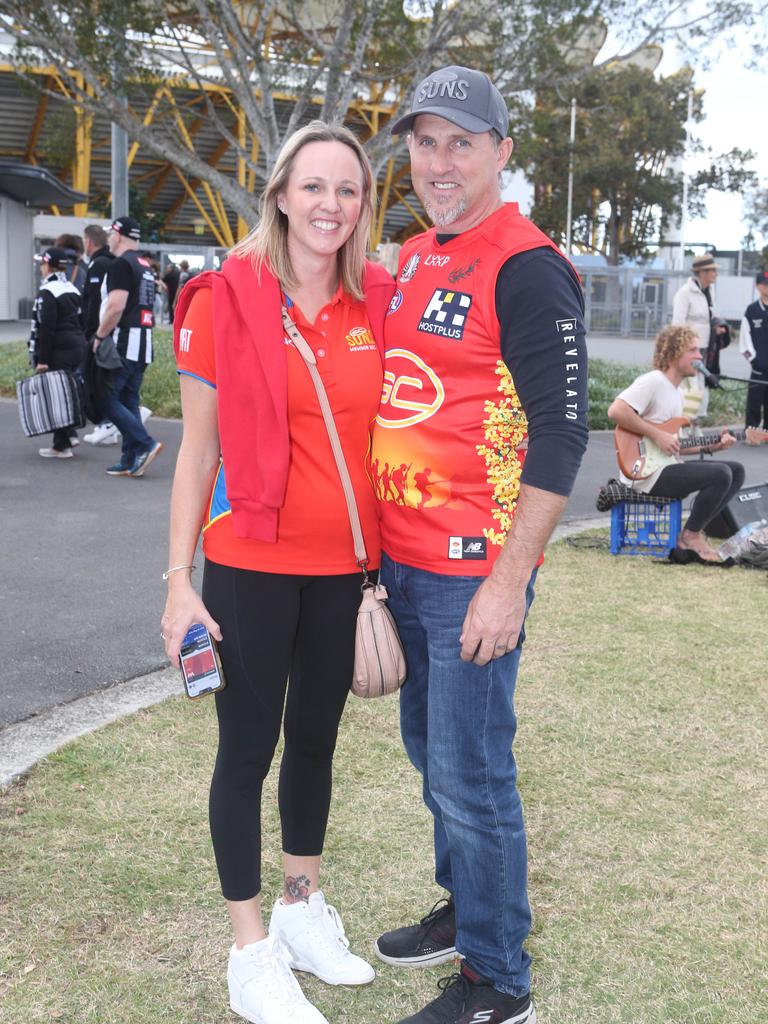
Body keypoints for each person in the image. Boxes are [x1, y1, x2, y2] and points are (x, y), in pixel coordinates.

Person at [160, 120, 395, 1024]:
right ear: (281, 196)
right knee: (247, 748)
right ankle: (250, 951)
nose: (330, 205)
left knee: (320, 740)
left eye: (348, 190)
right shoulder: (226, 297)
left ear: (361, 205)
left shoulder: (375, 297)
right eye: (314, 187)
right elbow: (195, 452)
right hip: (250, 564)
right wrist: (177, 578)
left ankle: (302, 912)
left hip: (344, 568)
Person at [371, 66, 589, 1024]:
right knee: (432, 752)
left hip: (473, 571)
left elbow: (563, 433)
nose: (440, 161)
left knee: (471, 767)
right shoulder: (418, 255)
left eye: (462, 141)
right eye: (425, 141)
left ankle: (500, 978)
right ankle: (467, 912)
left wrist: (511, 580)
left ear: (503, 151)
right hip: (404, 564)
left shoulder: (526, 263)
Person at [608, 324, 743, 563]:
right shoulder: (653, 381)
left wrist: (711, 447)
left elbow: (674, 445)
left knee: (735, 470)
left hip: (664, 466)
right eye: (693, 350)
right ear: (674, 353)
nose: (700, 356)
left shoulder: (676, 392)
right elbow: (616, 410)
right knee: (721, 473)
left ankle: (693, 532)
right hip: (645, 474)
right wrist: (657, 435)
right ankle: (690, 536)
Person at [92, 216, 163, 477]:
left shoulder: (121, 264)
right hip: (143, 341)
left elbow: (116, 306)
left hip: (124, 341)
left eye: (111, 234)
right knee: (128, 400)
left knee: (106, 399)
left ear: (118, 235)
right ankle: (131, 457)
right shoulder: (145, 265)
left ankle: (145, 444)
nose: (109, 239)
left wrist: (99, 336)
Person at [29, 247, 87, 458]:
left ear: (48, 265)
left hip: (59, 349)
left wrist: (42, 360)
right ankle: (68, 436)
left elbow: (47, 328)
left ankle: (61, 446)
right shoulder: (71, 288)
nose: (41, 268)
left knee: (56, 396)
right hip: (77, 347)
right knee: (66, 393)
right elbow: (82, 319)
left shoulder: (48, 291)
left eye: (42, 264)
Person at [671, 253, 728, 420]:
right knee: (689, 388)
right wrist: (681, 351)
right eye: (712, 271)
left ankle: (695, 426)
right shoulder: (685, 293)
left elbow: (708, 317)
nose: (715, 274)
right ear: (702, 273)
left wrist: (716, 329)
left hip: (706, 348)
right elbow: (677, 325)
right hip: (688, 351)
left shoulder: (710, 291)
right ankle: (684, 427)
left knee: (701, 387)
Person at [740, 269, 768, 428]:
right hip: (758, 368)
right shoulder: (752, 311)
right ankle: (751, 432)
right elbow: (744, 339)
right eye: (764, 285)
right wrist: (754, 360)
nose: (767, 288)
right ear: (758, 286)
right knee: (754, 403)